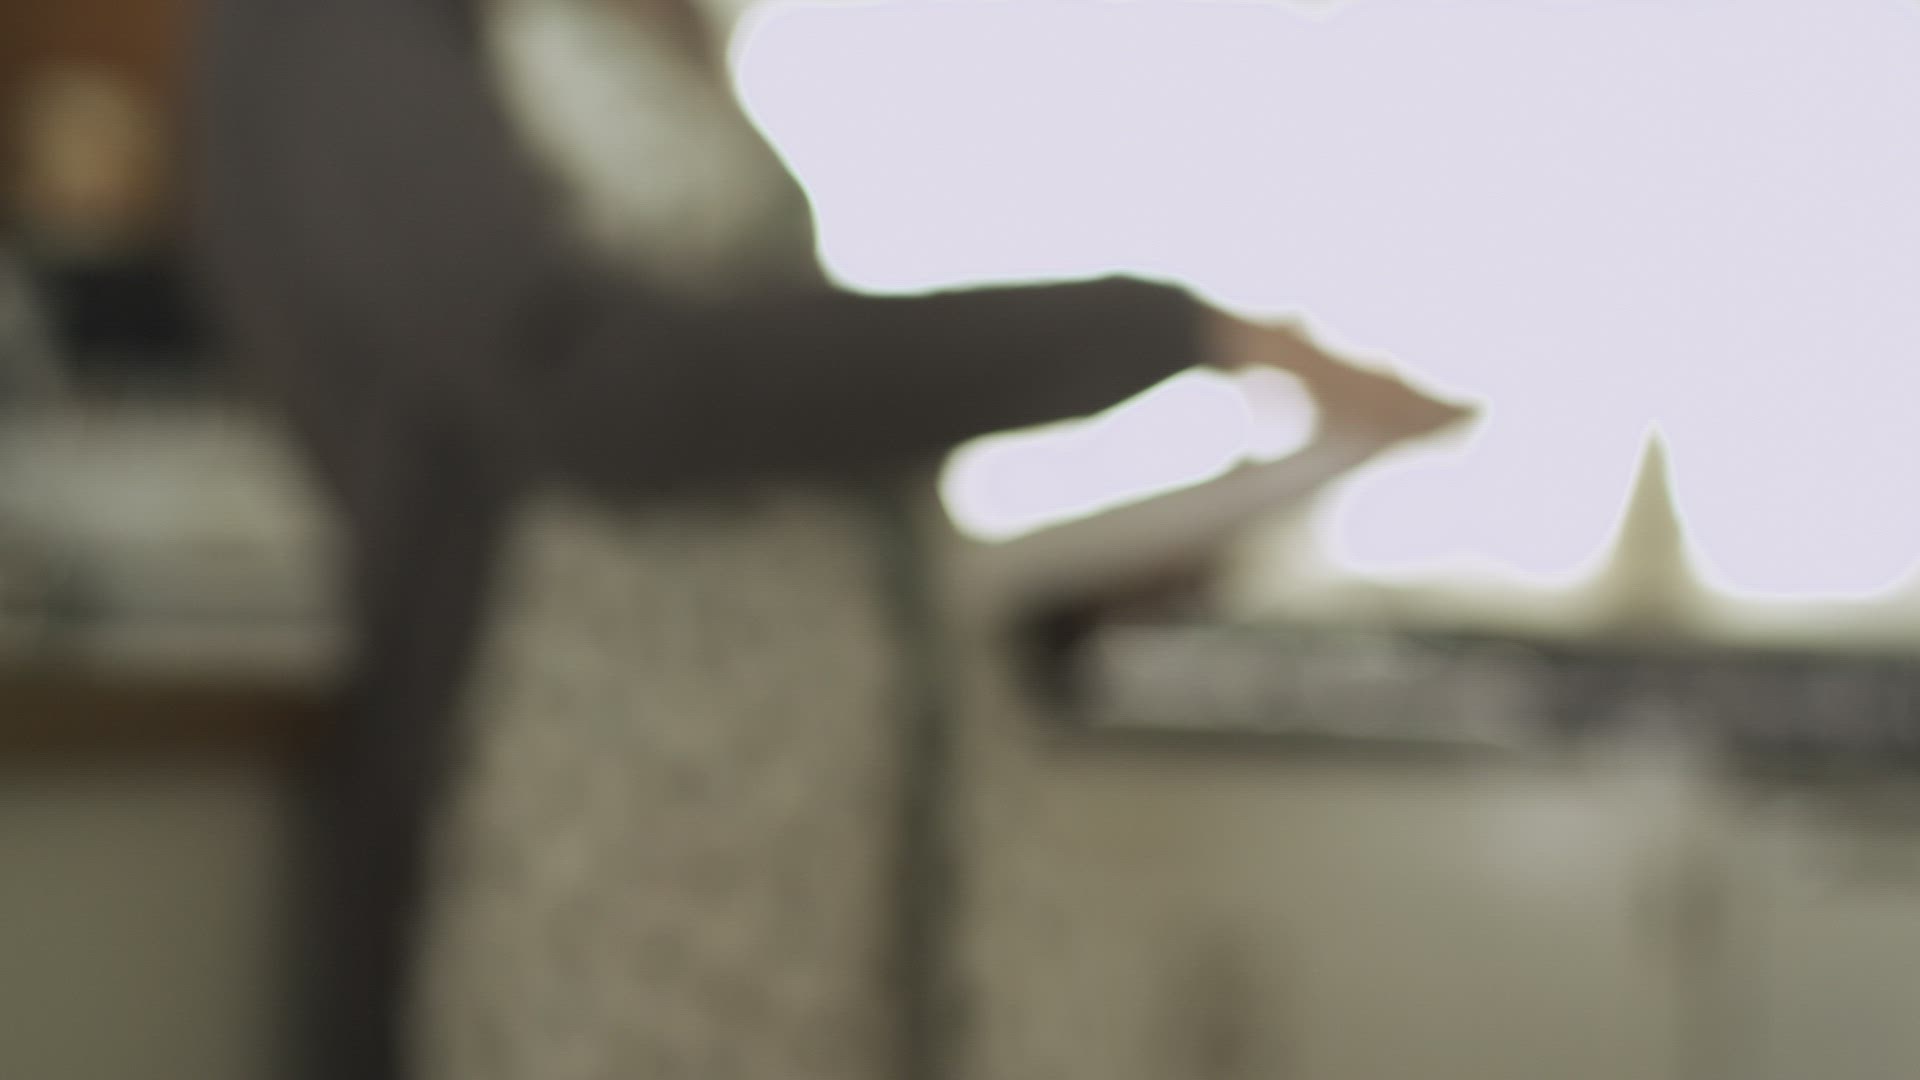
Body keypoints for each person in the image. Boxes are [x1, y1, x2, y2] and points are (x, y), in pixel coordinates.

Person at [190, 1, 1468, 1078]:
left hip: (815, 833)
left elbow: (785, 447)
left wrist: (1088, 567)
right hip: (605, 837)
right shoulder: (336, 32)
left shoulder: (634, 31)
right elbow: (595, 388)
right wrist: (1161, 334)